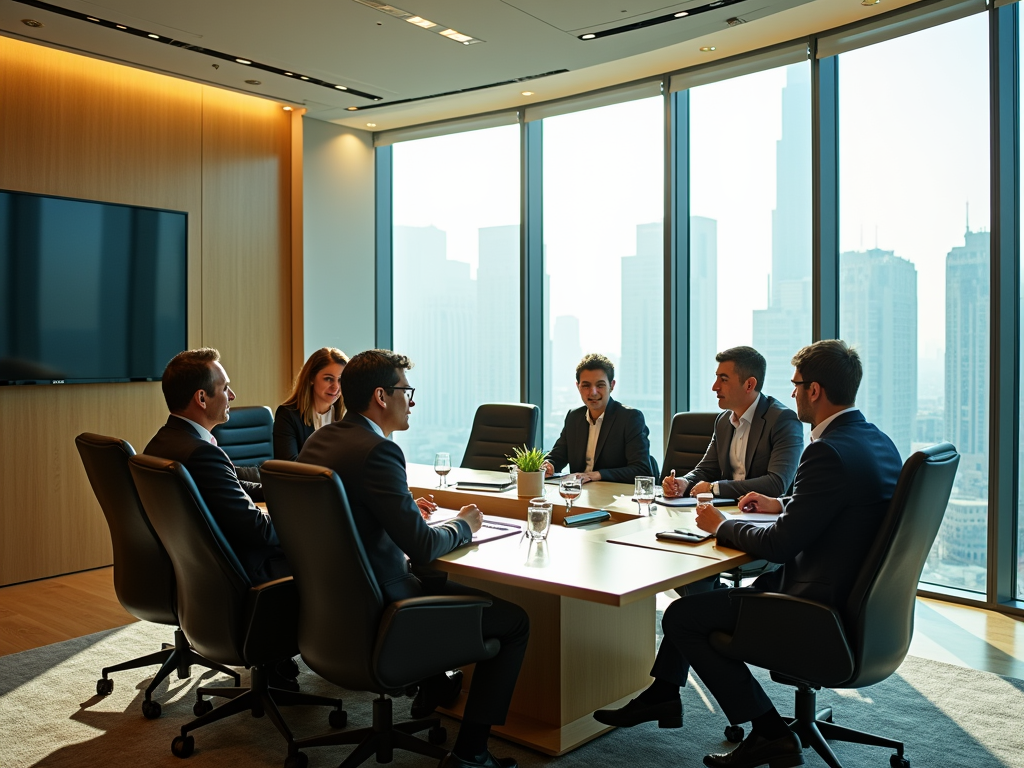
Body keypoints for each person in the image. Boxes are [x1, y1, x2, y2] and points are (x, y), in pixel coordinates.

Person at [593, 340, 903, 768]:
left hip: (814, 608)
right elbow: (843, 507)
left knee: (683, 617)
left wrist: (723, 526)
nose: (792, 393)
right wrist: (784, 505)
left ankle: (769, 732)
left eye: (797, 385)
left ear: (815, 391)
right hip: (859, 604)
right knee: (700, 604)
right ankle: (665, 695)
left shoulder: (825, 450)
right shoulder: (877, 441)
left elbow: (779, 544)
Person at [298, 349, 529, 768]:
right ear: (382, 396)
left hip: (332, 614)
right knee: (513, 621)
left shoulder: (319, 441)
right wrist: (463, 525)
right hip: (388, 613)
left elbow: (347, 516)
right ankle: (471, 754)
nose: (413, 400)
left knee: (437, 581)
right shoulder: (379, 451)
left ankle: (435, 688)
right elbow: (422, 547)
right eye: (408, 390)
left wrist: (402, 511)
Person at [144, 348, 289, 584]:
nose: (232, 395)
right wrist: (304, 523)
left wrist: (285, 491)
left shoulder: (160, 443)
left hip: (197, 570)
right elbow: (259, 530)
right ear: (202, 398)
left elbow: (231, 485)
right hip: (243, 571)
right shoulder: (202, 454)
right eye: (224, 388)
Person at [663, 346, 802, 500]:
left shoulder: (783, 420)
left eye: (723, 379)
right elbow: (706, 469)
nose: (715, 387)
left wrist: (714, 488)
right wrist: (684, 482)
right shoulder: (723, 421)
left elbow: (777, 484)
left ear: (749, 385)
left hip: (764, 517)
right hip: (728, 509)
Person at [542, 353, 652, 484]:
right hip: (579, 495)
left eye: (600, 385)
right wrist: (549, 465)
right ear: (578, 387)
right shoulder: (574, 417)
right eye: (586, 386)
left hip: (615, 497)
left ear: (612, 385)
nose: (593, 392)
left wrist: (597, 475)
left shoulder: (630, 418)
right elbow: (558, 456)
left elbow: (642, 469)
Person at [274, 347, 349, 461]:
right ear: (311, 378)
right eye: (328, 379)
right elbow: (289, 467)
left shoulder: (348, 416)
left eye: (340, 380)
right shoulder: (288, 415)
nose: (336, 387)